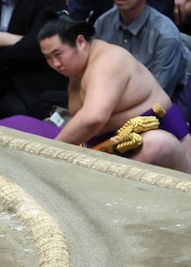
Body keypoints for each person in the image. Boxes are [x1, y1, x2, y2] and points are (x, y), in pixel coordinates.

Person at [38, 14, 191, 172]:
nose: (55, 64)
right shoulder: (77, 70)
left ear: (80, 42)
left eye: (58, 54)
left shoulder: (107, 60)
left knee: (156, 143)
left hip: (168, 148)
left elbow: (93, 117)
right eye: (48, 58)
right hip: (109, 148)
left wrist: (51, 150)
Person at [94, 0, 189, 99]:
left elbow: (158, 98)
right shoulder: (102, 23)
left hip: (159, 108)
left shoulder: (165, 35)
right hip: (110, 102)